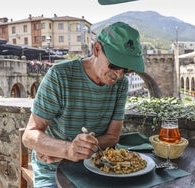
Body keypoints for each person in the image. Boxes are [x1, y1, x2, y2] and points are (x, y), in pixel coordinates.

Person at [22, 21, 144, 188]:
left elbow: (112, 137)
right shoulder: (59, 75)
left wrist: (78, 152)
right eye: (115, 65)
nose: (119, 75)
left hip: (98, 164)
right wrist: (66, 150)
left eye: (126, 70)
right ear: (96, 49)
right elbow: (30, 135)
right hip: (52, 166)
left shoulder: (121, 84)